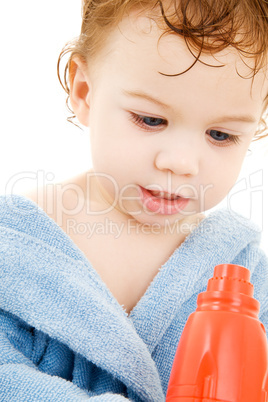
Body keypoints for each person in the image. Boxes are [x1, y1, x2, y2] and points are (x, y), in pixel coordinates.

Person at [0, 0, 268, 400]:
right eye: (151, 120)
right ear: (84, 92)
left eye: (220, 135)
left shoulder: (243, 269)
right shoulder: (17, 246)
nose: (180, 162)